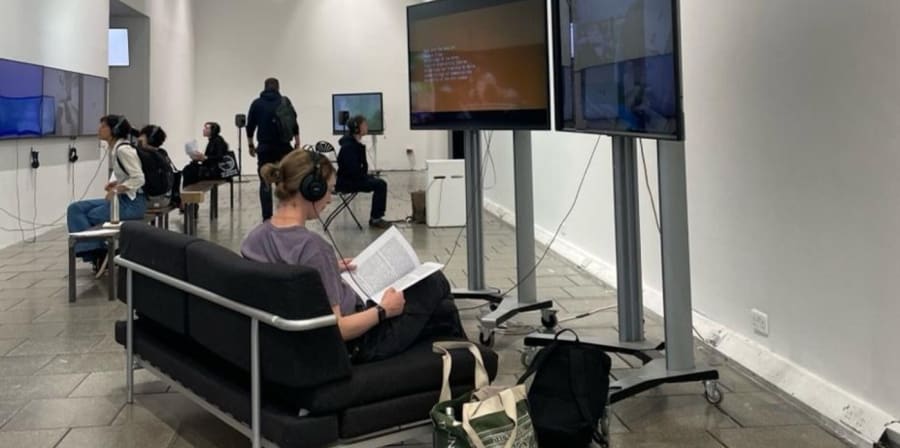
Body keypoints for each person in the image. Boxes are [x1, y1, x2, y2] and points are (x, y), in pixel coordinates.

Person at [240, 149, 465, 363]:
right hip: (360, 343)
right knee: (434, 283)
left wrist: (329, 269)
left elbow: (287, 274)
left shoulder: (255, 238)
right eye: (328, 190)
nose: (329, 199)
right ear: (312, 190)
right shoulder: (314, 249)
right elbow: (337, 329)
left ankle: (463, 362)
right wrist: (383, 310)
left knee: (441, 312)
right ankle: (470, 367)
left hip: (289, 341)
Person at [67, 115, 147, 274]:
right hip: (124, 199)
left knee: (92, 215)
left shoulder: (123, 150)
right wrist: (116, 184)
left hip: (133, 203)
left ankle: (100, 254)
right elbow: (129, 176)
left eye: (103, 126)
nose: (99, 129)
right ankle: (98, 254)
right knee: (75, 209)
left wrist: (118, 189)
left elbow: (139, 178)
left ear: (114, 130)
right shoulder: (116, 149)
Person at [246, 77, 300, 221]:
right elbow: (294, 123)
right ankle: (286, 212)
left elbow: (250, 126)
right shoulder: (285, 101)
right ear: (278, 87)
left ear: (264, 87)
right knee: (283, 181)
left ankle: (267, 218)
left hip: (264, 149)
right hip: (284, 148)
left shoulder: (256, 104)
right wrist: (297, 142)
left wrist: (251, 145)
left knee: (265, 182)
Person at [336, 115, 390, 229]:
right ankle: (376, 219)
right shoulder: (349, 147)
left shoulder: (354, 144)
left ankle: (376, 217)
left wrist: (366, 176)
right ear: (356, 128)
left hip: (352, 179)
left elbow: (359, 169)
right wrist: (366, 177)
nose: (367, 127)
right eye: (364, 125)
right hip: (347, 182)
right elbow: (353, 171)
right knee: (380, 184)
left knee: (378, 182)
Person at [136, 124, 175, 209]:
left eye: (142, 136)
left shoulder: (145, 155)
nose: (139, 138)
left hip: (152, 201)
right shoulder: (162, 153)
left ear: (149, 139)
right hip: (166, 198)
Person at [183, 121, 230, 187]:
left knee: (189, 171)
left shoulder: (218, 141)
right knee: (189, 168)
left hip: (215, 171)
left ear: (212, 130)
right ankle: (190, 193)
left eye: (206, 128)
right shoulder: (213, 140)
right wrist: (200, 157)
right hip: (211, 168)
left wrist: (205, 157)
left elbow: (220, 157)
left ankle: (190, 193)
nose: (203, 130)